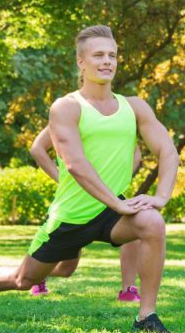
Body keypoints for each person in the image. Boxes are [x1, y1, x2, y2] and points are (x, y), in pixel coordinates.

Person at [0, 24, 179, 333]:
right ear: (81, 62)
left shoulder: (134, 107)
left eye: (112, 55)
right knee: (26, 278)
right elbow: (76, 165)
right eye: (98, 55)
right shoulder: (67, 107)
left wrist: (161, 197)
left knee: (153, 223)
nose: (107, 61)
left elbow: (167, 150)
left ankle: (146, 316)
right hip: (71, 215)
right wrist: (117, 204)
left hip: (111, 211)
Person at [27, 124, 142, 302]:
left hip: (110, 200)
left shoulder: (119, 116)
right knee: (67, 269)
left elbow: (135, 153)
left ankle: (128, 290)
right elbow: (37, 149)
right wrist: (63, 181)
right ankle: (39, 275)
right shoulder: (68, 114)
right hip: (77, 204)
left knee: (136, 226)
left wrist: (114, 184)